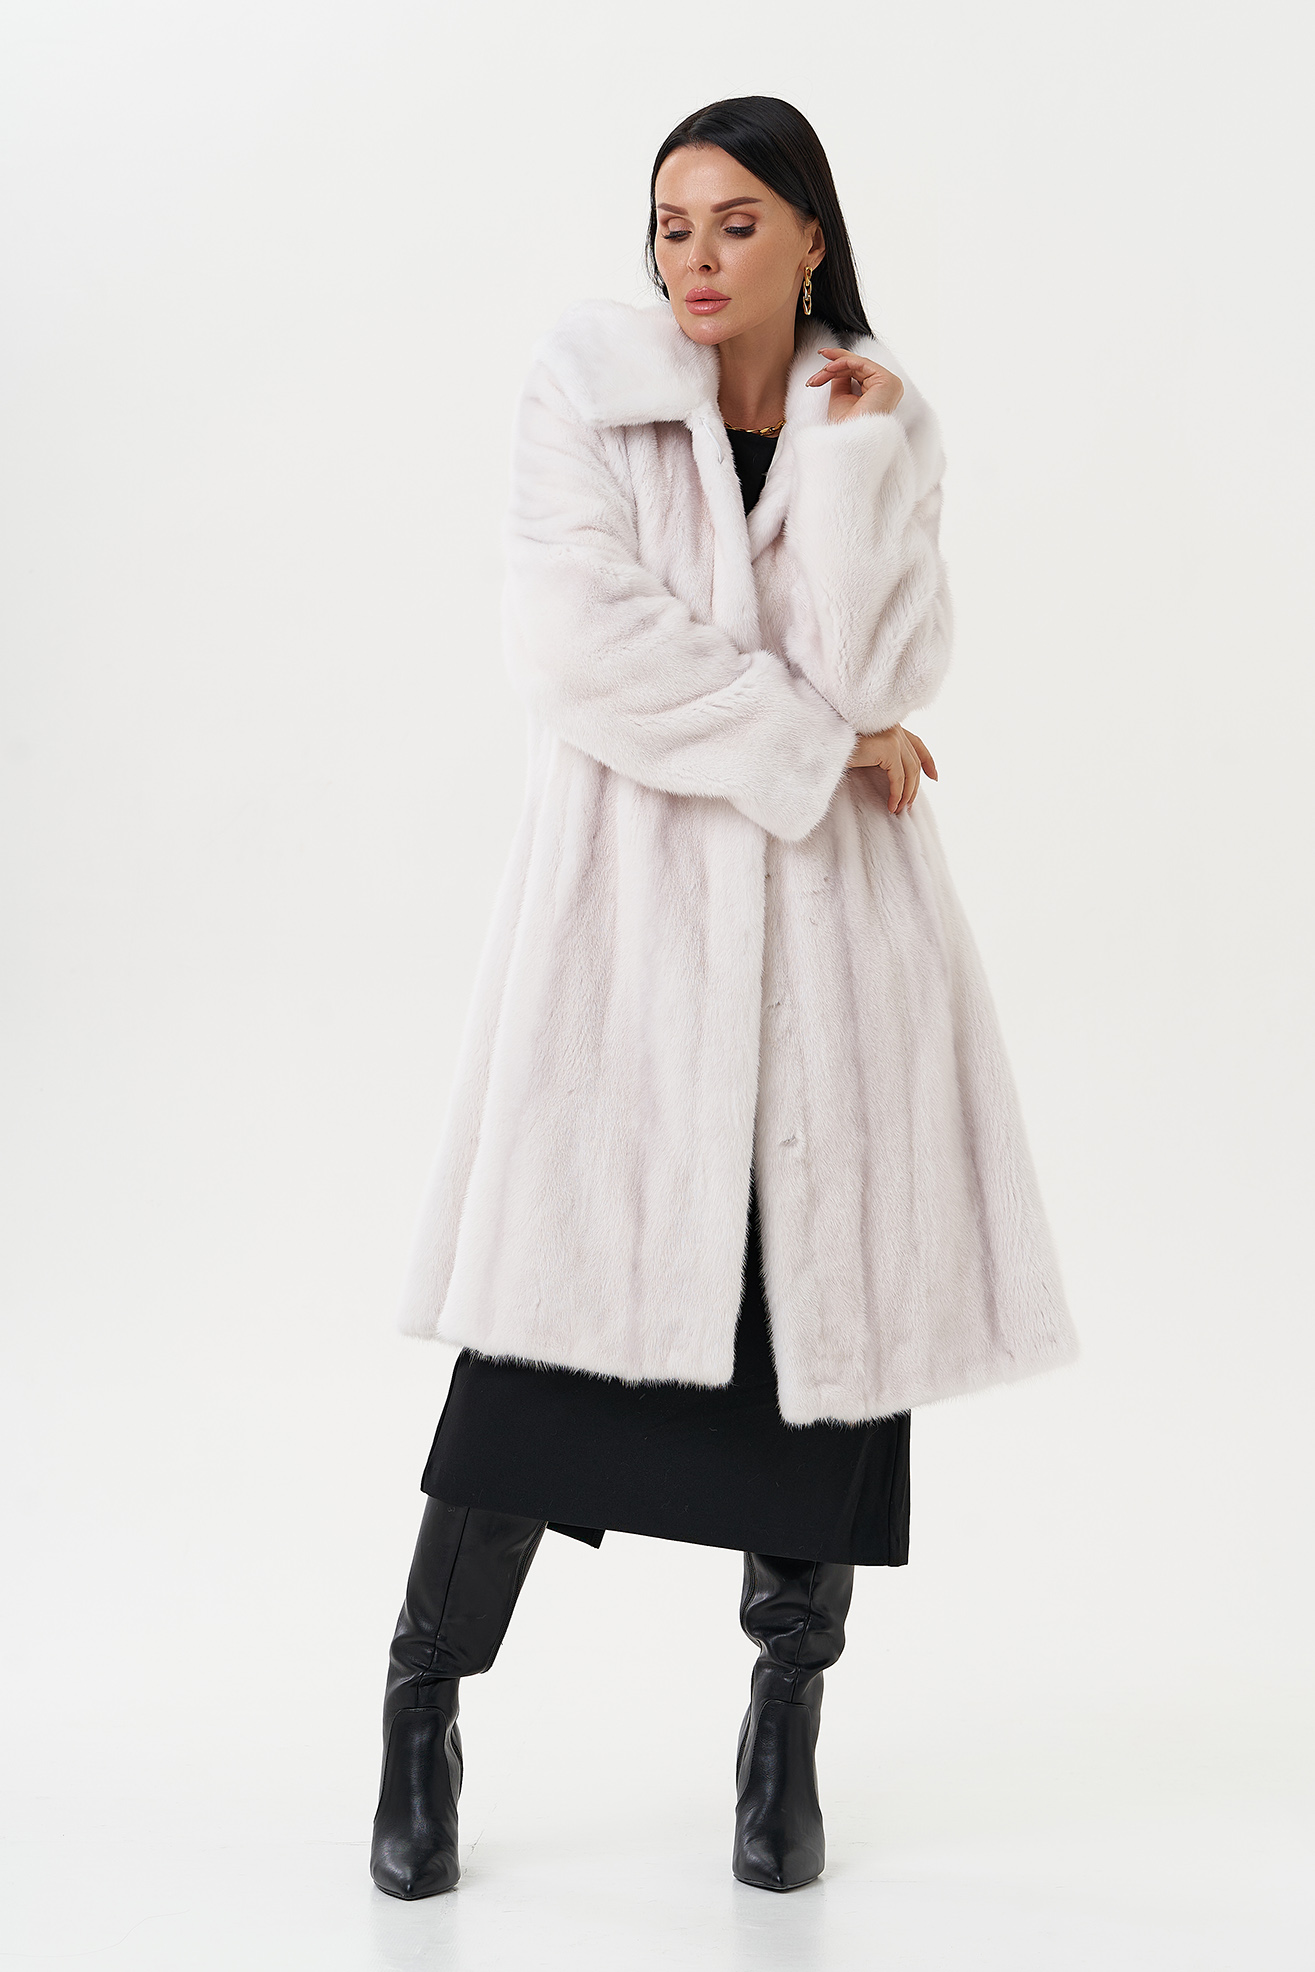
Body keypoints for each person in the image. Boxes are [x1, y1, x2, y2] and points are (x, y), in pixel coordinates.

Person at [370, 95, 1078, 1901]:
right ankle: (423, 1704)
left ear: (811, 236)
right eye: (673, 223)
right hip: (628, 948)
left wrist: (853, 467)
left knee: (819, 1365)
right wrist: (820, 747)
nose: (695, 256)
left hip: (837, 957)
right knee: (533, 1366)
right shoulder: (588, 390)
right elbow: (577, 648)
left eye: (737, 222)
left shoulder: (876, 417)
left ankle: (783, 1730)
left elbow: (886, 670)